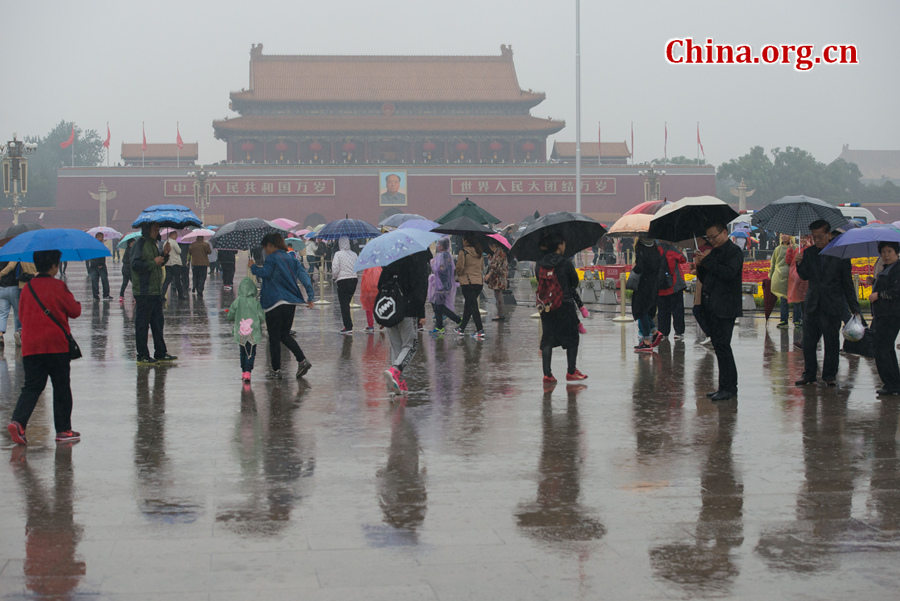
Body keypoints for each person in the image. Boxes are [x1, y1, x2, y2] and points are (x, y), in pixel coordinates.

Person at [6, 249, 82, 445]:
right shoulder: (58, 286)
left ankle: (18, 422)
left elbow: (21, 317)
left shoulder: (28, 288)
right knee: (61, 387)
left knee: (31, 387)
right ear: (54, 266)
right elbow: (74, 311)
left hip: (32, 346)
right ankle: (64, 430)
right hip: (56, 345)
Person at [795, 220, 860, 386]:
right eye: (814, 237)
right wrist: (799, 262)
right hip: (813, 305)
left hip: (832, 305)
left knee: (831, 343)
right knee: (808, 344)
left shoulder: (840, 254)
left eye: (820, 236)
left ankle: (829, 375)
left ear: (828, 235)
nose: (816, 240)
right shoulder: (809, 253)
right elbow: (804, 275)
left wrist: (854, 308)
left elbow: (847, 283)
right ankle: (809, 374)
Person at [249, 232, 315, 379]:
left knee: (274, 337)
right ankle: (302, 360)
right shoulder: (292, 258)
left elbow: (265, 273)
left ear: (271, 245)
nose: (265, 251)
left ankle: (276, 370)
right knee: (284, 334)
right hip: (290, 302)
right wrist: (310, 296)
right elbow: (304, 276)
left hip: (274, 302)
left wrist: (253, 267)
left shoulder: (271, 258)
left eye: (265, 247)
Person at [696, 222, 743, 401]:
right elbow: (706, 278)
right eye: (709, 238)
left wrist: (707, 260)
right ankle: (723, 386)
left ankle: (730, 387)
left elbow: (728, 273)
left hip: (726, 306)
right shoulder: (713, 252)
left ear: (724, 232)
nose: (712, 240)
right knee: (719, 348)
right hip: (711, 305)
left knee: (724, 347)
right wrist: (700, 265)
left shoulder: (734, 252)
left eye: (714, 236)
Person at [536, 232, 587, 383]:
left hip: (546, 306)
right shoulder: (564, 263)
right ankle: (571, 371)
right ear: (559, 246)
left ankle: (547, 374)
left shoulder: (539, 263)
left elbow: (539, 280)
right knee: (572, 338)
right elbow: (574, 282)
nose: (565, 246)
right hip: (564, 305)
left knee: (547, 340)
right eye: (563, 243)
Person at [382, 251, 430, 393]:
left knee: (396, 348)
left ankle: (396, 383)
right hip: (407, 311)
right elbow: (419, 291)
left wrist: (381, 314)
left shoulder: (389, 265)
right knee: (411, 345)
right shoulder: (414, 265)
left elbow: (380, 287)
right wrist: (421, 314)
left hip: (389, 311)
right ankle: (396, 371)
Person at [131, 222, 177, 365]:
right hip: (144, 291)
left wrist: (164, 254)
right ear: (147, 229)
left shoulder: (153, 244)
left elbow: (159, 262)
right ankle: (142, 355)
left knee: (158, 323)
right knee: (142, 325)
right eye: (155, 228)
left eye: (158, 228)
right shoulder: (140, 244)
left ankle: (160, 352)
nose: (157, 231)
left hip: (155, 291)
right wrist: (153, 261)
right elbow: (135, 265)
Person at [869, 241, 900, 395]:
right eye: (883, 252)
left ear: (896, 252)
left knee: (882, 348)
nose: (886, 255)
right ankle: (893, 383)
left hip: (892, 315)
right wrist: (874, 282)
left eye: (889, 251)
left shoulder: (898, 269)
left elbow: (896, 291)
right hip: (882, 315)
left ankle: (892, 383)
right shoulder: (887, 268)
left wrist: (878, 295)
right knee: (885, 349)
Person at [226, 276, 266, 383]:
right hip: (253, 332)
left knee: (242, 351)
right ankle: (248, 371)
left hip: (241, 332)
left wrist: (230, 317)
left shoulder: (237, 301)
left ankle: (244, 371)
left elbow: (231, 314)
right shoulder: (255, 302)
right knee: (251, 352)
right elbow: (261, 317)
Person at [632, 238, 663, 352]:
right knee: (646, 309)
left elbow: (640, 266)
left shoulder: (640, 246)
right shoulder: (655, 246)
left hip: (643, 283)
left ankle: (646, 341)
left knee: (640, 310)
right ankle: (654, 331)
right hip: (654, 283)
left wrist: (634, 269)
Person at [427, 238, 460, 333]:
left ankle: (456, 320)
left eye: (438, 244)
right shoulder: (446, 255)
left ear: (442, 246)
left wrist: (432, 264)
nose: (437, 246)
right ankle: (440, 326)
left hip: (442, 285)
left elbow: (441, 269)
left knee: (439, 306)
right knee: (438, 306)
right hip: (442, 284)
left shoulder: (443, 256)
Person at [455, 234, 485, 339]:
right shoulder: (479, 252)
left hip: (467, 283)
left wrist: (457, 273)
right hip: (479, 283)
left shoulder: (463, 252)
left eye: (463, 239)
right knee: (469, 305)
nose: (462, 241)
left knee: (473, 307)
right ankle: (461, 328)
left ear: (467, 241)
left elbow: (460, 267)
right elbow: (482, 267)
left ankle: (480, 329)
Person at [657, 242, 687, 340]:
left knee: (662, 311)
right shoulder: (671, 249)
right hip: (674, 286)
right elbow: (683, 259)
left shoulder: (655, 249)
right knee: (677, 311)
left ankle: (663, 332)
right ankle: (678, 332)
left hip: (660, 287)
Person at [769, 234, 798, 328]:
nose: (783, 236)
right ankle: (784, 320)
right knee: (783, 299)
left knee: (796, 299)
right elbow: (773, 262)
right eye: (782, 234)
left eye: (786, 234)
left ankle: (797, 320)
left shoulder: (796, 247)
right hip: (781, 276)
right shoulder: (778, 249)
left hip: (794, 276)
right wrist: (771, 275)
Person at [331, 236, 359, 334]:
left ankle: (348, 326)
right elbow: (357, 266)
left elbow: (335, 268)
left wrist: (334, 277)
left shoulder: (338, 254)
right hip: (354, 279)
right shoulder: (354, 254)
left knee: (344, 305)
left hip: (342, 280)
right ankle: (348, 325)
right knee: (347, 302)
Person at [0, 260, 23, 347]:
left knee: (2, 313)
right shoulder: (13, 257)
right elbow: (12, 267)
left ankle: (0, 335)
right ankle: (18, 333)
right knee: (17, 313)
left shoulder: (1, 255)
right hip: (14, 287)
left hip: (1, 288)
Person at [484, 241, 508, 321]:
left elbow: (495, 266)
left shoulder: (498, 253)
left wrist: (488, 275)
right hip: (498, 278)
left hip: (498, 278)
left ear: (493, 245)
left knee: (498, 295)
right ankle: (500, 314)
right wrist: (491, 259)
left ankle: (500, 314)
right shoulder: (498, 252)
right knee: (497, 295)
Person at [161, 231, 186, 302]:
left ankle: (162, 295)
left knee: (167, 280)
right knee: (177, 280)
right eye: (176, 235)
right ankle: (180, 295)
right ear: (173, 235)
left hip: (168, 264)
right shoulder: (174, 242)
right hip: (175, 264)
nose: (177, 236)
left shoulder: (165, 243)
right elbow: (179, 251)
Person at [86, 232, 112, 300]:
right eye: (99, 237)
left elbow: (105, 254)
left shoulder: (102, 245)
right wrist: (98, 264)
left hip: (101, 266)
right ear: (96, 238)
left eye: (102, 237)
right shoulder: (93, 246)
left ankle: (106, 295)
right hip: (95, 266)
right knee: (95, 281)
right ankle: (95, 295)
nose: (101, 238)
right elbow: (92, 256)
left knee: (104, 280)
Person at [359, 266, 382, 334]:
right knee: (378, 306)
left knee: (368, 308)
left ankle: (370, 326)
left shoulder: (367, 268)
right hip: (377, 290)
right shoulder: (379, 268)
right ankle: (382, 322)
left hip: (369, 290)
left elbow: (365, 281)